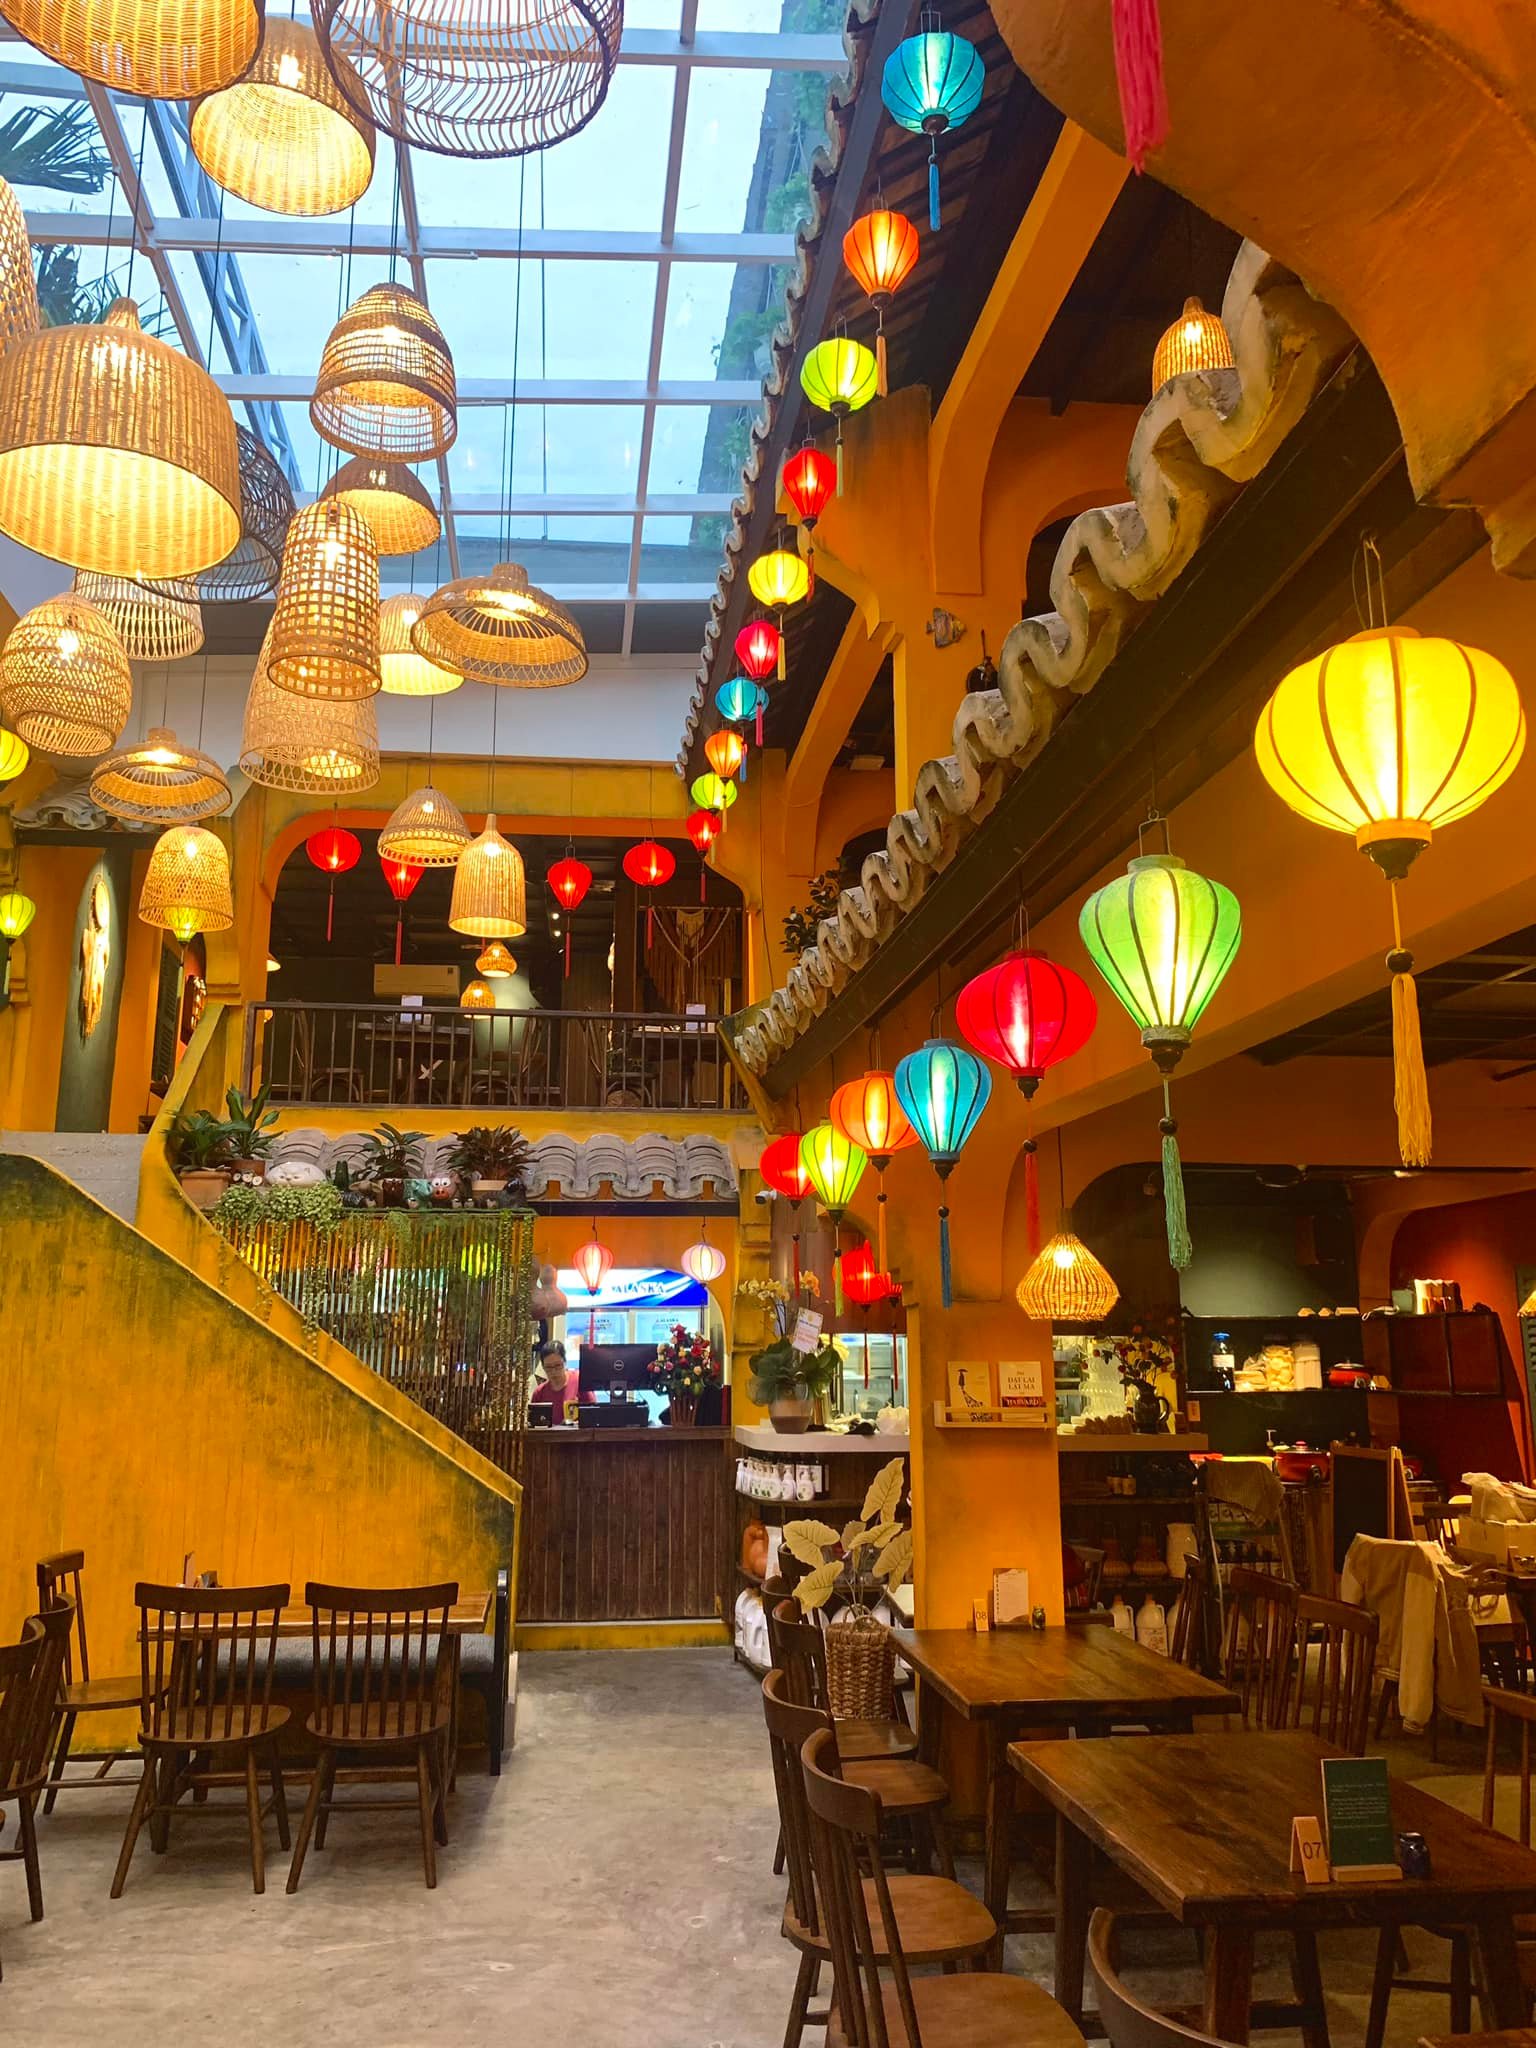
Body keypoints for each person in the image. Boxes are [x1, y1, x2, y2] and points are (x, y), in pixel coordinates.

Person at [528, 1340, 594, 1418]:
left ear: (565, 1362)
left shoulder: (580, 1381)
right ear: (543, 1367)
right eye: (548, 1367)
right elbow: (534, 1422)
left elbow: (593, 1414)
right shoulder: (539, 1393)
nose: (553, 1371)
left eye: (558, 1365)